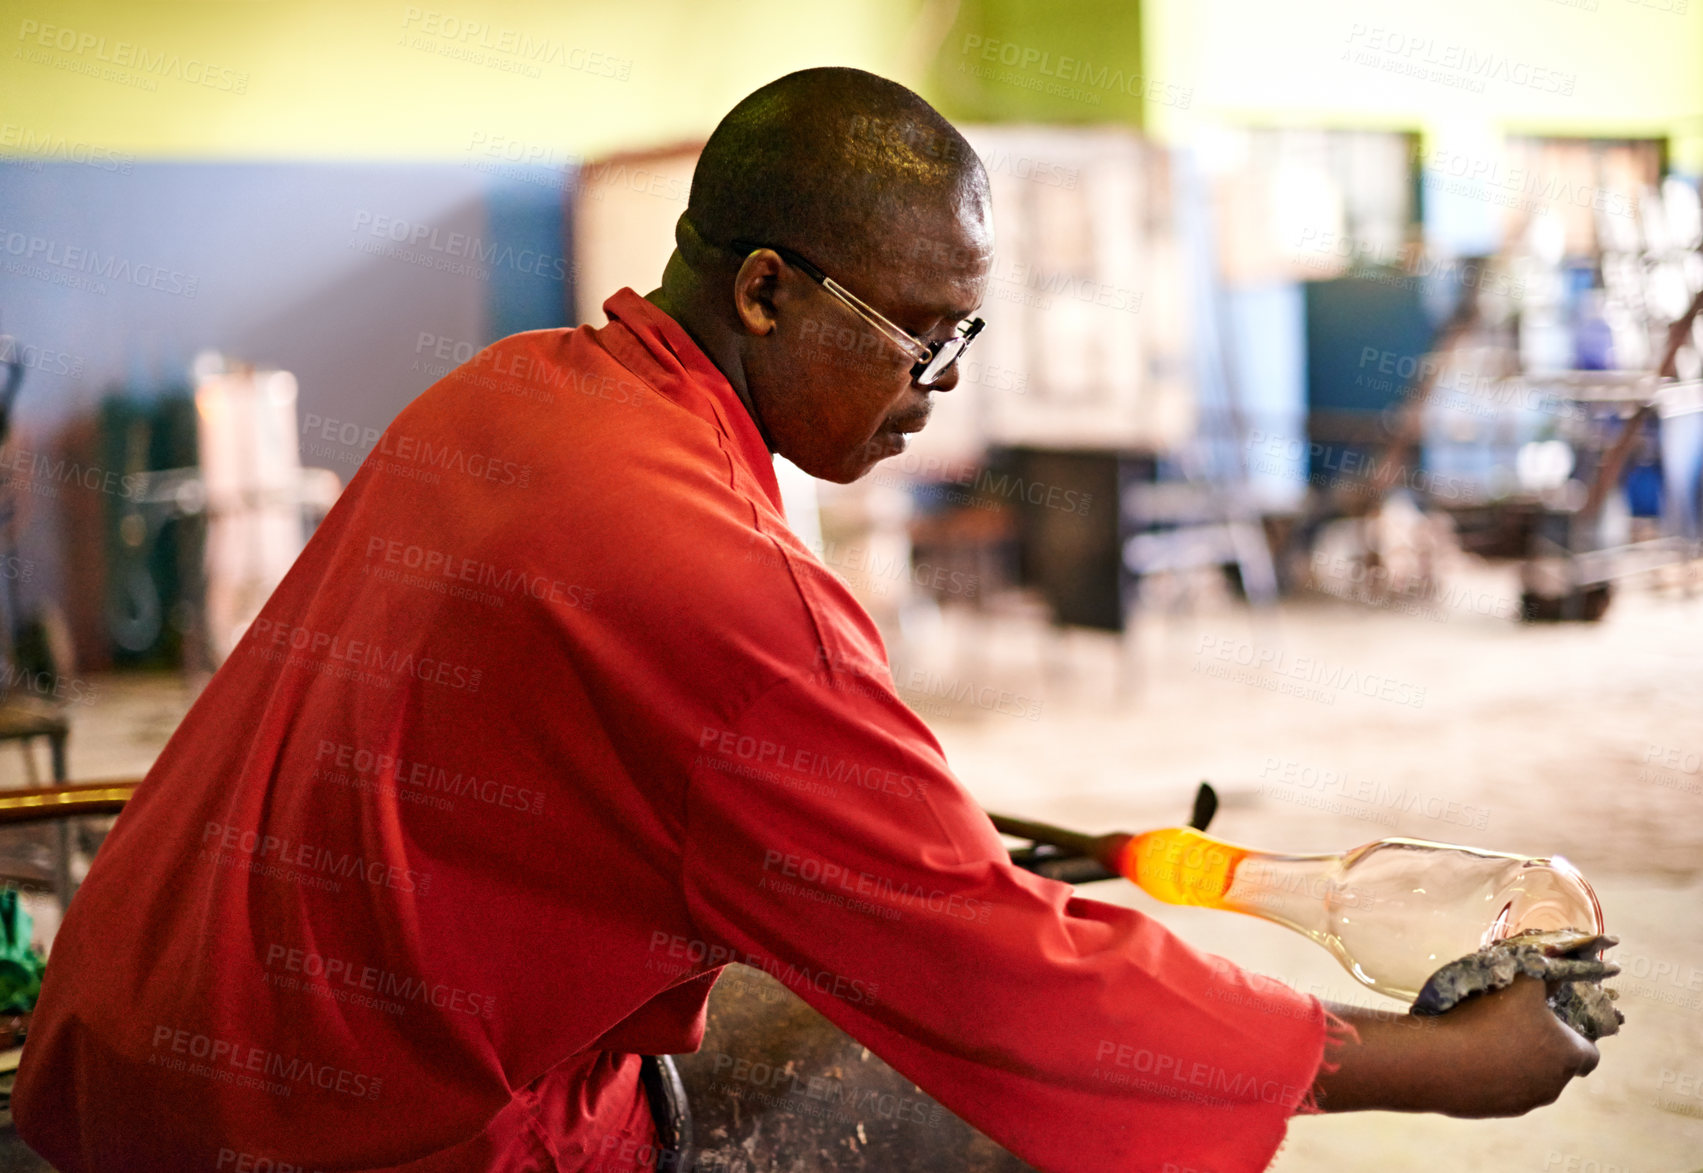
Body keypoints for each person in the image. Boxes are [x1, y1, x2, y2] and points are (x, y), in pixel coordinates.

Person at [14, 67, 1598, 1173]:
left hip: (122, 1053)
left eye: (964, 332)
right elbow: (1006, 980)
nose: (942, 385)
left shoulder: (506, 387)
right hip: (358, 1134)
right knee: (939, 1090)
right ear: (764, 289)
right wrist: (1435, 1069)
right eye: (917, 335)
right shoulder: (719, 576)